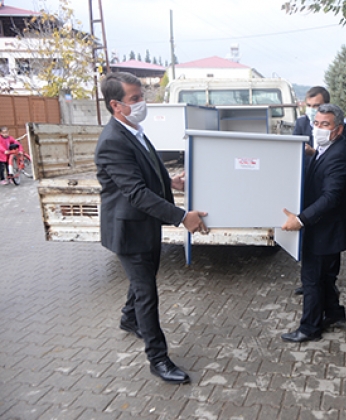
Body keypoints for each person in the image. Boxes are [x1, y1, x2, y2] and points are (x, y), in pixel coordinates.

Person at [95, 72, 208, 384]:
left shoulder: (134, 131)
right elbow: (136, 193)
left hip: (145, 225)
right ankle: (158, 359)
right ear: (116, 105)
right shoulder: (112, 141)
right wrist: (182, 216)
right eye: (134, 98)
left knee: (142, 279)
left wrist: (169, 181)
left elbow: (146, 170)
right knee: (147, 292)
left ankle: (128, 319)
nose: (141, 103)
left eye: (141, 96)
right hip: (129, 231)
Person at [281, 104, 346, 342]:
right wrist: (312, 155)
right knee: (325, 277)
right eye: (316, 123)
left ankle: (309, 329)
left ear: (338, 129)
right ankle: (333, 313)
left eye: (325, 124)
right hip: (328, 228)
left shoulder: (338, 157)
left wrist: (300, 220)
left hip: (326, 230)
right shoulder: (325, 149)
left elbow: (330, 197)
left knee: (312, 279)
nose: (319, 128)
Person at [292, 86, 330, 296]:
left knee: (324, 234)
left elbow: (335, 156)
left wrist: (313, 152)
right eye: (309, 105)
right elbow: (291, 150)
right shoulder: (301, 123)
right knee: (306, 234)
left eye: (317, 105)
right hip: (305, 184)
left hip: (324, 187)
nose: (312, 109)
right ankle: (307, 281)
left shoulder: (335, 125)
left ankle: (326, 280)